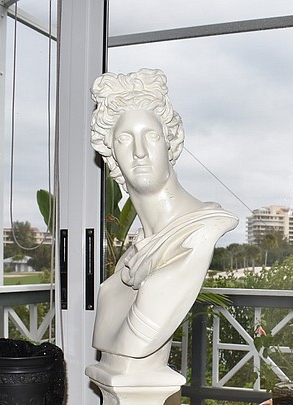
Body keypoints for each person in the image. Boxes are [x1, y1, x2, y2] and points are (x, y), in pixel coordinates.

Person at [89, 68, 237, 377]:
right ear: (111, 154)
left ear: (170, 144)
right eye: (125, 139)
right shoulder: (131, 260)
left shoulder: (195, 236)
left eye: (151, 136)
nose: (139, 152)